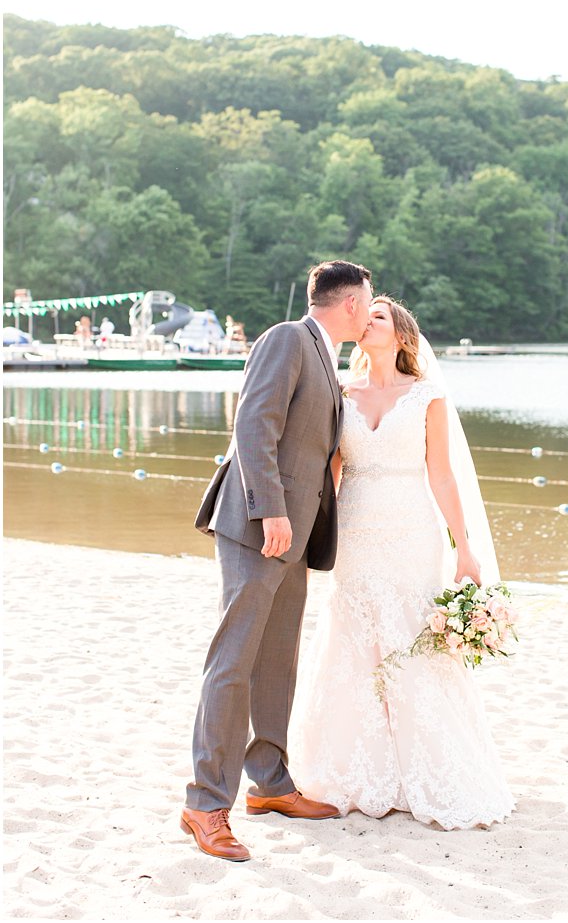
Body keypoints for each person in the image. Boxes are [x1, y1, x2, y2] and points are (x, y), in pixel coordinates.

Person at [288, 296, 514, 829]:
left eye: (380, 317)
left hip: (413, 532)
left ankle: (429, 769)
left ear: (403, 335)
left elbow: (442, 476)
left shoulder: (428, 397)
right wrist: (311, 538)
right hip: (357, 530)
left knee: (412, 637)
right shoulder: (341, 393)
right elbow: (332, 471)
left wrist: (465, 546)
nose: (368, 322)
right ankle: (352, 769)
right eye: (365, 317)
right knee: (356, 637)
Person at [184, 260, 374, 861]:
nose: (371, 313)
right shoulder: (288, 339)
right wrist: (270, 510)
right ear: (348, 305)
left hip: (294, 535)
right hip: (259, 526)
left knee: (276, 662)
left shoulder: (326, 355)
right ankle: (205, 803)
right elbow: (253, 424)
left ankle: (269, 785)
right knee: (233, 662)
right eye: (367, 304)